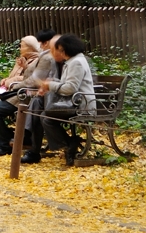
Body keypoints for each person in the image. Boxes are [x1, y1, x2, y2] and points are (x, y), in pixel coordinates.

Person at [0, 32, 53, 157]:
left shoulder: (41, 59)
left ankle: (5, 143)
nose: (19, 48)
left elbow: (31, 80)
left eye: (22, 46)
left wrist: (13, 84)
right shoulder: (27, 60)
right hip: (16, 92)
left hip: (26, 95)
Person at [29, 34, 96, 166]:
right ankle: (68, 144)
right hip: (73, 102)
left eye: (59, 49)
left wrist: (50, 85)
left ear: (66, 49)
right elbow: (66, 83)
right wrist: (51, 82)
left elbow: (70, 88)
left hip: (81, 105)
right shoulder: (73, 61)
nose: (57, 52)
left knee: (45, 116)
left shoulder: (76, 63)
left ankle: (67, 145)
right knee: (45, 116)